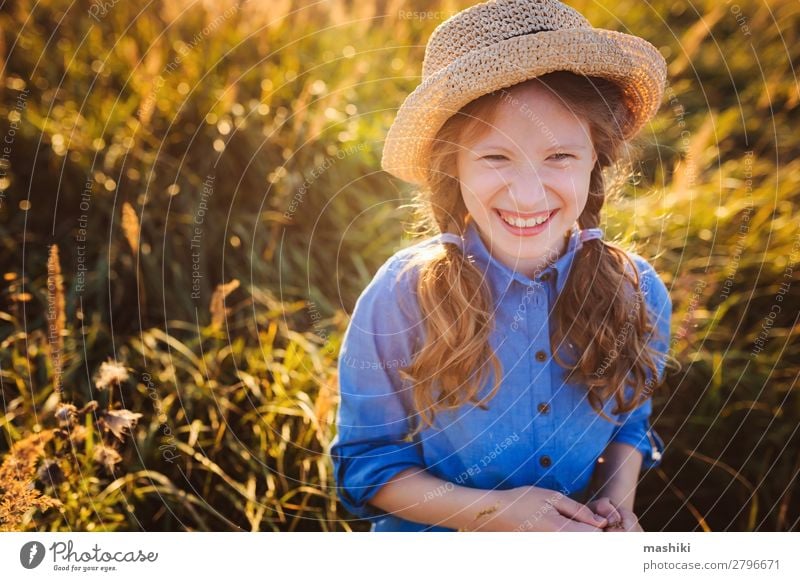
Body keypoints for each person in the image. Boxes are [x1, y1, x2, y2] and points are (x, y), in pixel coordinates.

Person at [330, 0, 674, 532]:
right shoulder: (403, 295)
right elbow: (364, 464)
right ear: (455, 165)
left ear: (595, 159)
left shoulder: (638, 291)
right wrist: (495, 514)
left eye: (560, 156)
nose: (529, 193)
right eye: (496, 157)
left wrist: (617, 505)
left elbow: (628, 424)